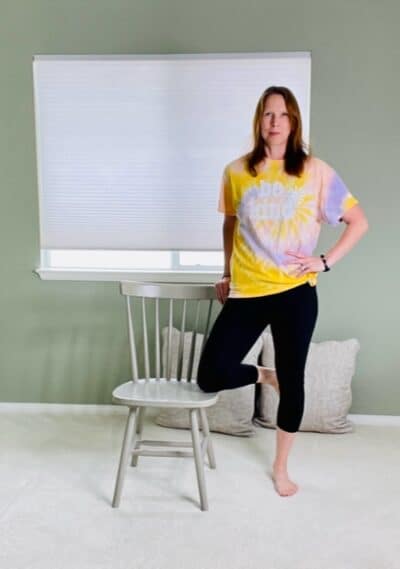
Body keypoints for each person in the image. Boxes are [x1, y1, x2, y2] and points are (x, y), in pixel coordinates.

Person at [197, 85, 368, 498]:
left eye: (283, 115)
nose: (275, 122)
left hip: (294, 293)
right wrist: (226, 272)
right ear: (259, 120)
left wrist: (323, 261)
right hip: (248, 291)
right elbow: (230, 224)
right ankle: (262, 374)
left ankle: (280, 467)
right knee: (210, 375)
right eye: (268, 114)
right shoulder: (237, 171)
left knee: (293, 384)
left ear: (294, 122)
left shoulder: (315, 170)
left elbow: (358, 221)